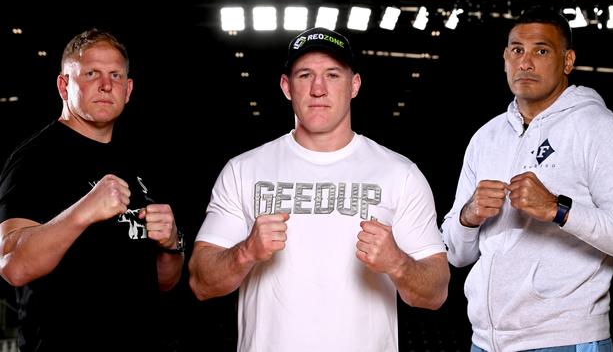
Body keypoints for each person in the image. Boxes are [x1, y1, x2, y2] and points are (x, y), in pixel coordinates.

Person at [188, 27, 450, 352]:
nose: (318, 89)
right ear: (286, 86)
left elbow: (436, 293)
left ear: (354, 85)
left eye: (333, 75)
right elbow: (201, 283)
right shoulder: (243, 170)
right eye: (305, 75)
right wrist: (246, 252)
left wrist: (397, 262)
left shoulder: (400, 174)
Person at [441, 6, 613, 352]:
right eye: (517, 50)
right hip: (485, 342)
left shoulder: (598, 128)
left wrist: (559, 209)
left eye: (541, 50)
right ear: (505, 58)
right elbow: (457, 255)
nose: (525, 62)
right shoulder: (486, 137)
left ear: (567, 61)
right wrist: (468, 216)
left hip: (566, 339)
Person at [0, 28, 185, 352]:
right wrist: (85, 211)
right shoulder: (35, 159)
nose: (105, 84)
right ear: (63, 85)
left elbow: (164, 282)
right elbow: (12, 266)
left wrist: (172, 244)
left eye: (115, 75)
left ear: (128, 90)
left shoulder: (139, 162)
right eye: (91, 73)